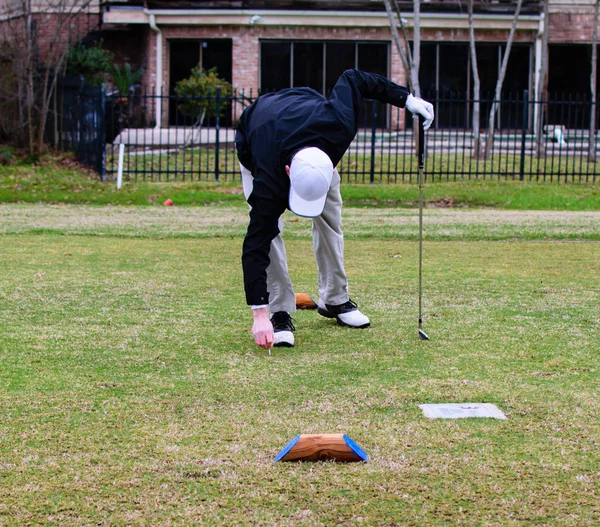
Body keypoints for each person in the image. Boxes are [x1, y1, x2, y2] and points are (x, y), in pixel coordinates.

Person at [235, 69, 434, 351]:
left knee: (329, 216)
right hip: (258, 133)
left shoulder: (338, 125)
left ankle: (335, 298)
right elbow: (254, 244)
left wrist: (408, 99)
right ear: (288, 173)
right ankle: (279, 312)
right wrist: (258, 314)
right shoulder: (268, 180)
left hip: (307, 124)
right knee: (269, 231)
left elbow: (354, 78)